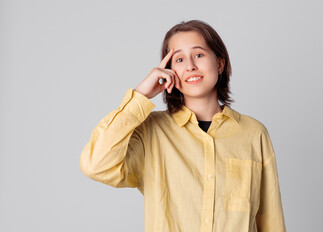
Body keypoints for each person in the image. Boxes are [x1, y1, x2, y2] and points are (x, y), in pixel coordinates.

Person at [79, 19, 286, 232]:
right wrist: (140, 95)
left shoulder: (253, 133)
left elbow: (270, 219)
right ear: (168, 71)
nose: (190, 66)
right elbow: (96, 165)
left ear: (220, 63)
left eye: (198, 55)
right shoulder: (151, 132)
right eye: (179, 59)